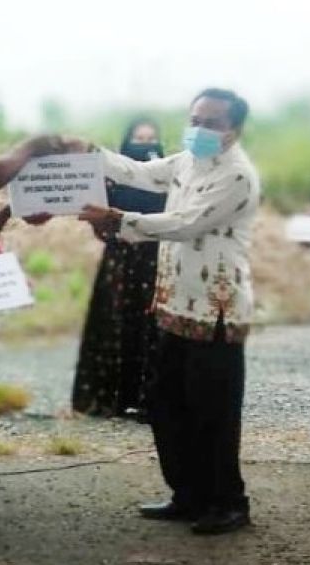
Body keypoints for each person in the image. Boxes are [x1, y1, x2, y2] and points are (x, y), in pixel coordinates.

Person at [77, 89, 260, 535]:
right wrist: (89, 154)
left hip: (214, 309)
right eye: (194, 118)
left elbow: (186, 223)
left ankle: (228, 501)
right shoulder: (185, 161)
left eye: (212, 122)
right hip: (173, 302)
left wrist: (118, 219)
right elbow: (139, 172)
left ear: (234, 129)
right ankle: (188, 492)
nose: (199, 128)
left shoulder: (237, 174)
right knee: (166, 404)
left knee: (212, 411)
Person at [73, 118, 168, 419]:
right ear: (127, 142)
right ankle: (112, 398)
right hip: (121, 259)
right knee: (116, 324)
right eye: (139, 139)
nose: (146, 145)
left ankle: (149, 398)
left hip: (157, 258)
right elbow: (94, 220)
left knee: (153, 326)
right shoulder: (108, 179)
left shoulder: (168, 177)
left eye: (151, 139)